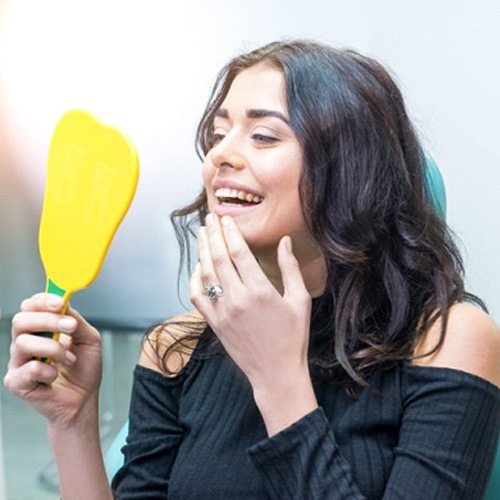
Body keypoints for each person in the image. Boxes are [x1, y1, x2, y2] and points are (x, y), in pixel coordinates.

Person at [4, 40, 500, 499]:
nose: (220, 153)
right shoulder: (174, 347)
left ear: (353, 170)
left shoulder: (445, 341)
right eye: (219, 134)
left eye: (263, 135)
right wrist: (72, 424)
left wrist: (277, 378)